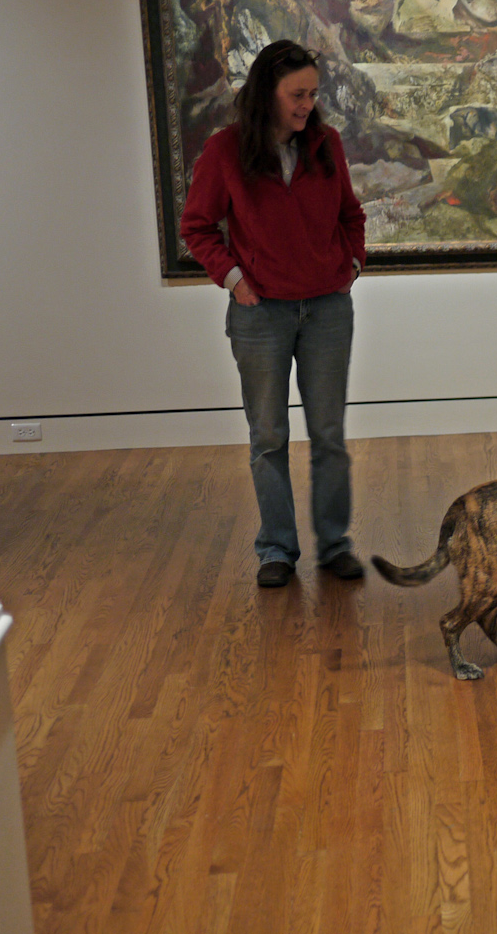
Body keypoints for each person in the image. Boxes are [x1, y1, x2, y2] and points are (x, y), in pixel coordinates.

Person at [181, 40, 367, 588]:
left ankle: (334, 545)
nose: (308, 104)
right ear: (267, 92)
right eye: (297, 94)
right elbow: (197, 227)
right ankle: (276, 550)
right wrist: (235, 280)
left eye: (313, 93)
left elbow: (351, 216)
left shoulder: (326, 145)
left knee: (329, 434)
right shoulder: (225, 151)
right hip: (260, 315)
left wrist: (351, 266)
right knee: (268, 436)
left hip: (328, 308)